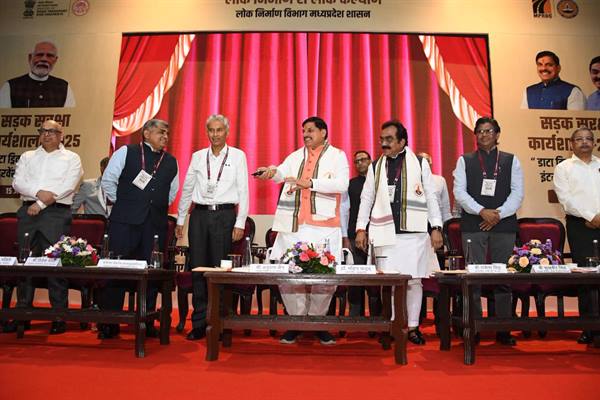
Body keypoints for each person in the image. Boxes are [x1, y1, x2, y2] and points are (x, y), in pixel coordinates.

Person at [256, 116, 349, 345]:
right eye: (304, 131)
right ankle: (296, 321)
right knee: (289, 274)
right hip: (294, 226)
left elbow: (342, 184)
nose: (306, 134)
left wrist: (312, 183)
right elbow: (281, 172)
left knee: (324, 277)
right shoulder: (296, 156)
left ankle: (317, 322)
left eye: (310, 130)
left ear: (323, 132)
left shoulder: (337, 156)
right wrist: (270, 172)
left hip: (324, 226)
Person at [355, 120, 443, 345]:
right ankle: (393, 325)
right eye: (381, 139)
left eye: (389, 139)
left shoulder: (420, 163)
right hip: (384, 232)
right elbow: (366, 198)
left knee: (414, 282)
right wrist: (360, 228)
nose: (383, 144)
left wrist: (436, 227)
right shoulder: (376, 165)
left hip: (414, 233)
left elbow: (431, 196)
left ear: (402, 141)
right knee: (390, 283)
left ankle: (412, 327)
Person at [98, 119, 179, 339]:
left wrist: (154, 206)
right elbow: (108, 181)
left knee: (150, 273)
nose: (165, 137)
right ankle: (110, 322)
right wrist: (125, 203)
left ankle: (146, 321)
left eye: (167, 133)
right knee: (116, 270)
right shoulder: (126, 152)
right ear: (146, 133)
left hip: (154, 225)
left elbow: (172, 192)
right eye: (161, 132)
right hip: (124, 222)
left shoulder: (171, 161)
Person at [5, 119, 83, 334]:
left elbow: (67, 186)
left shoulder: (71, 158)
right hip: (28, 212)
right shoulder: (28, 156)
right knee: (25, 263)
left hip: (56, 213)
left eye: (52, 131)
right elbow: (18, 182)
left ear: (61, 135)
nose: (47, 134)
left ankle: (58, 315)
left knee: (55, 264)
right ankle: (22, 315)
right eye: (43, 131)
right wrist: (38, 194)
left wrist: (39, 204)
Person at [176, 114, 249, 341]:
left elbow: (244, 190)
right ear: (207, 132)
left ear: (227, 132)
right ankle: (199, 323)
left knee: (220, 270)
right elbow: (188, 188)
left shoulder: (237, 156)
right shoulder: (198, 157)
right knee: (198, 269)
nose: (215, 134)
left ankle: (219, 322)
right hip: (199, 216)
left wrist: (240, 222)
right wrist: (180, 219)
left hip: (225, 216)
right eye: (211, 130)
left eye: (219, 130)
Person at [453, 117, 524, 345]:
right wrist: (482, 211)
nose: (484, 135)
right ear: (475, 135)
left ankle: (503, 329)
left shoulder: (511, 160)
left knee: (503, 277)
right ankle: (474, 327)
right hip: (474, 224)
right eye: (480, 131)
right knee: (474, 278)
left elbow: (517, 193)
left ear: (497, 134)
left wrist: (498, 215)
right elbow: (459, 193)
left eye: (489, 131)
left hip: (504, 225)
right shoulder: (465, 160)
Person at [553, 126, 600, 344]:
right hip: (579, 226)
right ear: (571, 143)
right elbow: (566, 200)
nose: (584, 142)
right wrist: (591, 217)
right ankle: (588, 328)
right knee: (586, 275)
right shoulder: (564, 168)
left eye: (588, 139)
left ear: (594, 143)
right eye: (579, 139)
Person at [341, 150, 382, 318]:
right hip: (354, 235)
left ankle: (377, 318)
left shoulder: (381, 181)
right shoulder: (350, 185)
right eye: (356, 161)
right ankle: (355, 317)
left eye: (363, 160)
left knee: (377, 278)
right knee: (355, 277)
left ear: (370, 161)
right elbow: (344, 211)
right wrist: (345, 237)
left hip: (378, 235)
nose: (359, 163)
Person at [0, 40, 75, 108]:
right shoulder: (10, 86)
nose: (44, 59)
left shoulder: (64, 87)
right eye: (39, 55)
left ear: (55, 60)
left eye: (49, 56)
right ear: (30, 58)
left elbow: (71, 116)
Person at [521, 50, 585, 110]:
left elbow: (576, 117)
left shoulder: (573, 91)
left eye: (549, 65)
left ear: (558, 68)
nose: (544, 68)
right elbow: (524, 117)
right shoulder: (529, 92)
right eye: (540, 65)